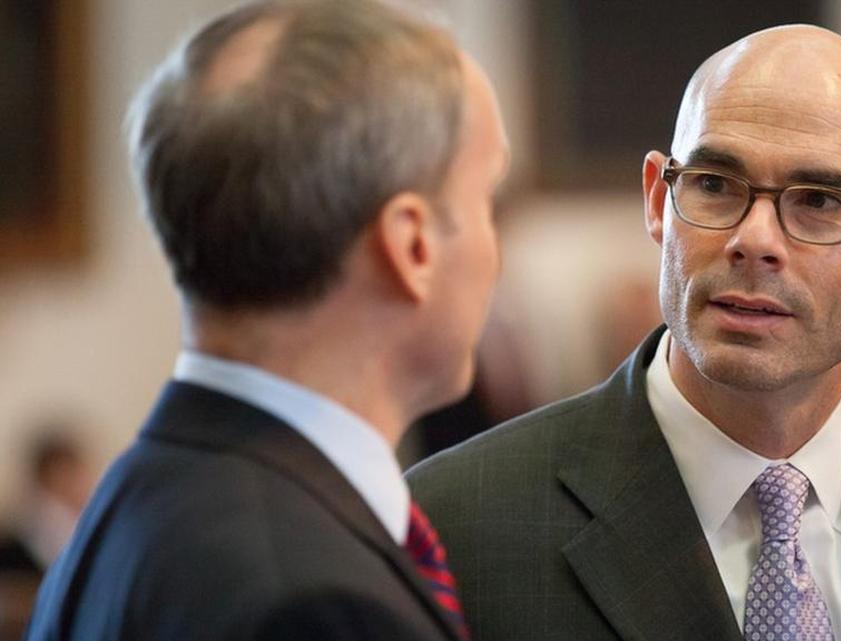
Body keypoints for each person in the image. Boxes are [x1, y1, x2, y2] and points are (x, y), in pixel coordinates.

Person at [407, 24, 841, 641]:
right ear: (658, 199)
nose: (754, 239)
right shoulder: (457, 525)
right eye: (714, 183)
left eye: (820, 200)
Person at [27, 0, 509, 639]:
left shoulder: (129, 500)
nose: (495, 248)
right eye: (485, 200)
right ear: (412, 245)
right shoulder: (316, 604)